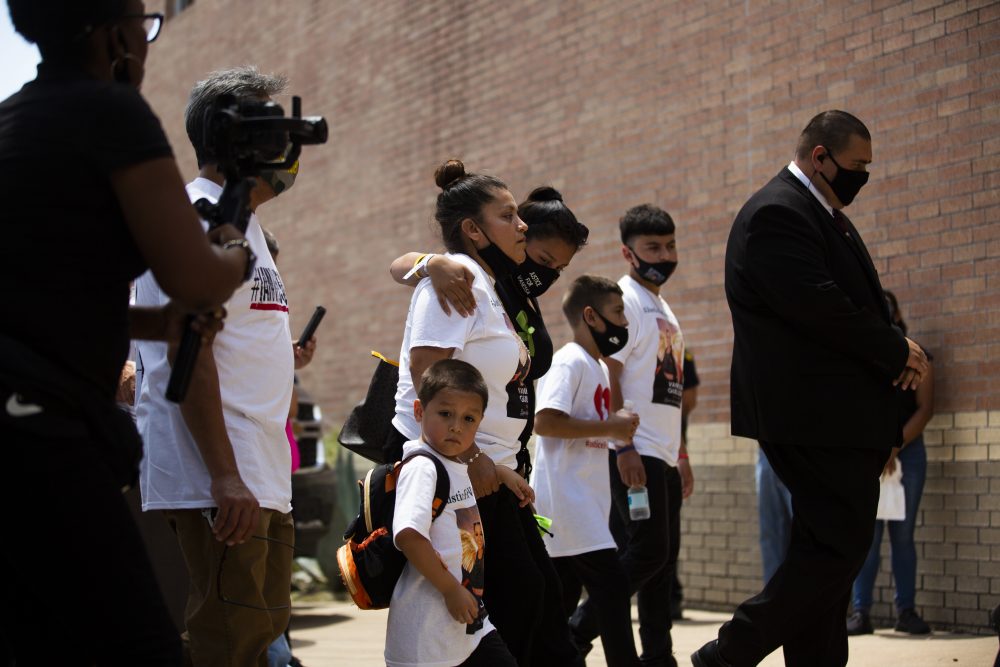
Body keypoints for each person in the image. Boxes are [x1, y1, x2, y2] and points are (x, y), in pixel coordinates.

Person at [0, 1, 252, 664]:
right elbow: (197, 278)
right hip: (43, 434)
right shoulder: (108, 113)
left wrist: (151, 323)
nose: (147, 40)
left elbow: (37, 300)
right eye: (146, 24)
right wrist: (235, 247)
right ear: (114, 35)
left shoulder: (13, 121)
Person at [692, 110, 930, 667]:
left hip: (829, 417)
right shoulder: (779, 212)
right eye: (855, 165)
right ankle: (725, 655)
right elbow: (818, 305)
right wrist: (896, 347)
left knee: (825, 551)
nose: (862, 177)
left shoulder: (820, 213)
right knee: (838, 548)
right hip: (810, 416)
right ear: (819, 157)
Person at [135, 66, 317, 667]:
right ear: (234, 135)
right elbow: (187, 353)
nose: (288, 146)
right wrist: (224, 475)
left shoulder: (248, 225)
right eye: (273, 127)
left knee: (259, 633)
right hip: (222, 473)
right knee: (227, 640)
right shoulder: (191, 218)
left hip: (258, 470)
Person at [387, 159, 582, 666]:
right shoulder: (459, 280)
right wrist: (472, 457)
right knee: (521, 607)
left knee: (539, 597)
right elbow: (428, 373)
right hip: (460, 474)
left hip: (492, 471)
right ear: (473, 230)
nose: (522, 225)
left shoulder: (492, 286)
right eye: (509, 216)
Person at [571, 204, 690, 667]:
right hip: (635, 452)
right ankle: (575, 633)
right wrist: (624, 446)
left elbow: (669, 391)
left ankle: (659, 656)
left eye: (670, 245)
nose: (664, 254)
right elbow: (611, 373)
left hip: (663, 452)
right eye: (652, 247)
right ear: (628, 252)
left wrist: (681, 452)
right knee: (647, 554)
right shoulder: (625, 303)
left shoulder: (663, 307)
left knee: (661, 563)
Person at [531, 274, 642, 667]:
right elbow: (545, 422)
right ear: (591, 316)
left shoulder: (594, 366)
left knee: (557, 611)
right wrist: (611, 427)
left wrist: (615, 431)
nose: (625, 323)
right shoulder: (569, 361)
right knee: (612, 592)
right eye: (618, 312)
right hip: (568, 507)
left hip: (582, 510)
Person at [387, 358, 519, 667]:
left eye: (469, 419)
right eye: (445, 414)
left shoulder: (455, 462)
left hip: (467, 628)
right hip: (427, 634)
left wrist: (501, 473)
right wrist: (450, 590)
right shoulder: (422, 467)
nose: (456, 426)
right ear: (420, 411)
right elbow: (408, 535)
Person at [847, 290, 935, 636]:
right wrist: (878, 449)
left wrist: (895, 447)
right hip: (872, 456)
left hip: (907, 455)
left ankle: (906, 611)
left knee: (903, 536)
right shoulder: (861, 359)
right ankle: (860, 612)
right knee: (866, 538)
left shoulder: (920, 357)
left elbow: (925, 409)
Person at [755, 448, 793, 584]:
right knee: (771, 537)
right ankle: (775, 601)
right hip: (767, 451)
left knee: (809, 538)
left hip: (801, 449)